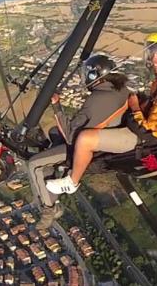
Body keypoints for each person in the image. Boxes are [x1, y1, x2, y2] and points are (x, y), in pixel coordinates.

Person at [45, 32, 157, 195]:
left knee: (84, 139)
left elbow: (150, 133)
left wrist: (136, 108)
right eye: (152, 52)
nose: (153, 59)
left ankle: (72, 182)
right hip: (147, 129)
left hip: (145, 140)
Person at [28, 54, 129, 229]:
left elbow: (69, 135)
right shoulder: (122, 90)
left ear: (93, 76)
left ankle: (49, 210)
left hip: (89, 148)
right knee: (53, 132)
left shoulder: (96, 99)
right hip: (107, 141)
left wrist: (57, 105)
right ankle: (54, 171)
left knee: (34, 164)